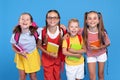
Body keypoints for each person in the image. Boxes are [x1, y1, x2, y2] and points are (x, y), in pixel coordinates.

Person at [37, 10, 67, 80]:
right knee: (49, 77)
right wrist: (48, 53)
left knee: (57, 77)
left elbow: (65, 45)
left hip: (57, 59)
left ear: (58, 19)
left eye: (55, 17)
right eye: (49, 17)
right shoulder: (43, 31)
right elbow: (38, 45)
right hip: (47, 59)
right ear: (46, 19)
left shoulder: (62, 30)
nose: (52, 19)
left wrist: (62, 39)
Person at [10, 12, 41, 80]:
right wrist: (19, 52)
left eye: (27, 19)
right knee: (22, 77)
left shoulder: (36, 31)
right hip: (21, 56)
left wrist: (60, 26)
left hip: (32, 56)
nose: (24, 21)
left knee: (33, 77)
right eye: (22, 19)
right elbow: (13, 46)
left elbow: (47, 29)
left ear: (31, 23)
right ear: (19, 22)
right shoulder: (15, 35)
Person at [82, 11, 110, 80]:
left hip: (101, 54)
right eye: (90, 18)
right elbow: (72, 30)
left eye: (94, 18)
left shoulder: (102, 32)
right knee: (92, 76)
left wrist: (99, 47)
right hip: (90, 55)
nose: (92, 21)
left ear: (98, 21)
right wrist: (63, 28)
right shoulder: (83, 31)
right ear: (86, 21)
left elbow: (108, 43)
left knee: (100, 74)